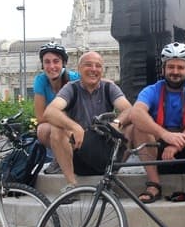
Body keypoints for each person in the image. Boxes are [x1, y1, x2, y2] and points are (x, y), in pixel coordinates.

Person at [130, 42, 185, 203]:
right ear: (163, 70)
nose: (175, 72)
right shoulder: (152, 90)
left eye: (180, 68)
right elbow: (136, 113)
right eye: (171, 67)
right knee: (139, 125)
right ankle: (154, 184)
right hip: (159, 155)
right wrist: (165, 135)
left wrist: (178, 142)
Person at [44, 51, 132, 192]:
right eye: (88, 65)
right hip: (80, 150)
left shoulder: (109, 87)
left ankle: (112, 176)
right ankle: (72, 185)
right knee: (56, 129)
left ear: (102, 70)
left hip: (106, 148)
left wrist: (117, 121)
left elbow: (128, 109)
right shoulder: (71, 88)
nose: (93, 69)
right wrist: (74, 126)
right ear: (79, 69)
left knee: (131, 126)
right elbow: (50, 111)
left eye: (98, 66)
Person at [32, 42, 80, 174]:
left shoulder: (75, 78)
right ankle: (62, 158)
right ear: (42, 65)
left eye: (56, 61)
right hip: (61, 126)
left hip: (80, 125)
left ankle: (67, 159)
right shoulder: (40, 81)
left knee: (57, 128)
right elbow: (41, 117)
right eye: (47, 62)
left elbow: (102, 82)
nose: (51, 66)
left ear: (63, 63)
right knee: (43, 130)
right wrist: (62, 124)